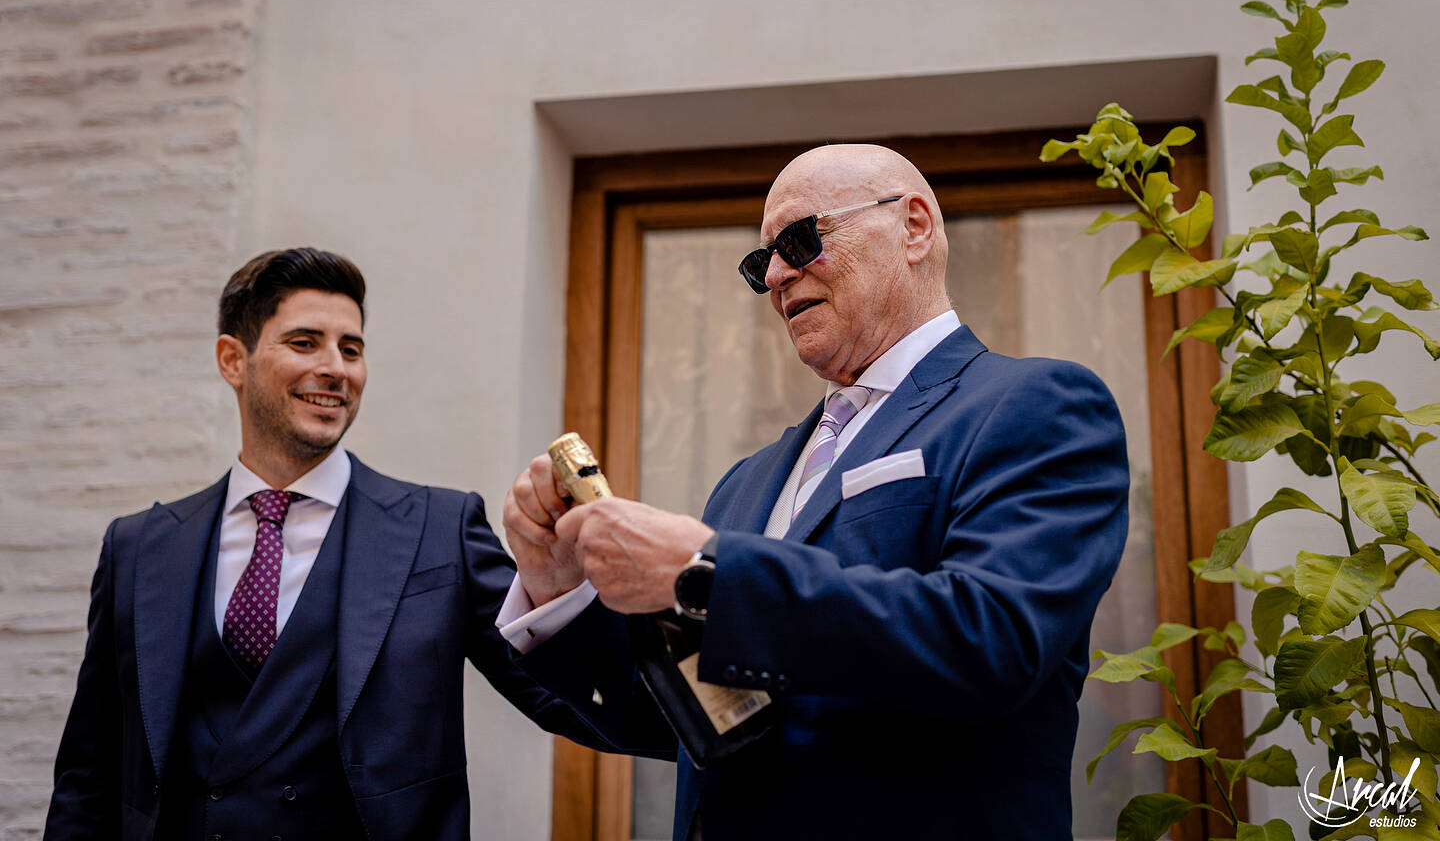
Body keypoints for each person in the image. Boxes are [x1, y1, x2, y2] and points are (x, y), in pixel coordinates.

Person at [500, 144, 1132, 840]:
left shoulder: (1035, 404)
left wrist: (708, 575)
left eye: (800, 241)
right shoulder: (745, 485)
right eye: (759, 262)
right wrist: (560, 592)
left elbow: (990, 641)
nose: (774, 276)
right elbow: (700, 719)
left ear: (914, 226)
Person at [44, 247, 627, 841]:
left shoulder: (440, 529)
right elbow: (89, 776)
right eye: (304, 343)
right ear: (232, 360)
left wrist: (562, 591)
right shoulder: (138, 548)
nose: (336, 369)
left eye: (351, 349)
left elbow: (580, 705)